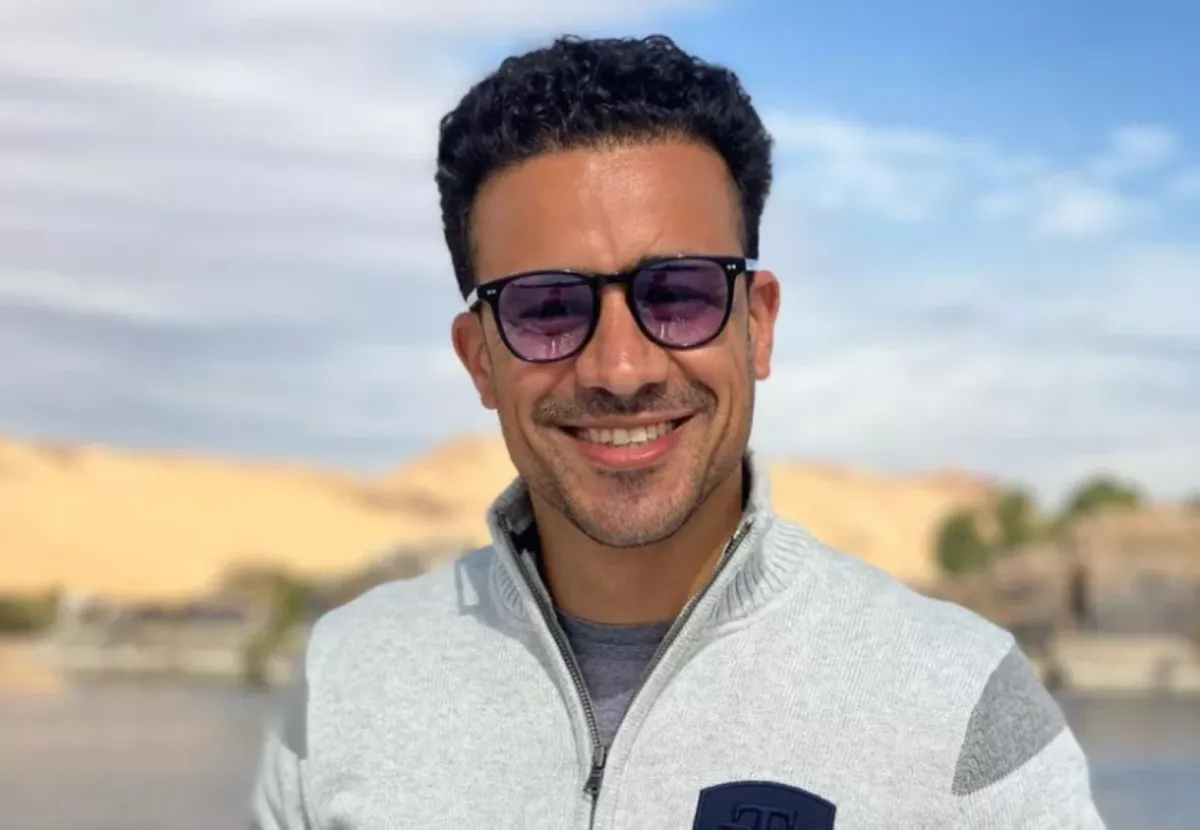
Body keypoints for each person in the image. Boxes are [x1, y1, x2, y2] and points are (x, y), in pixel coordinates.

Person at [251, 34, 1106, 829]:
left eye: (680, 294)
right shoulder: (345, 684)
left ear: (756, 325)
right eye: (547, 309)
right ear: (480, 360)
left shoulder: (958, 705)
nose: (621, 369)